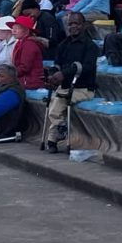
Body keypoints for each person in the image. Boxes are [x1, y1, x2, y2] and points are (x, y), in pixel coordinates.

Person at [43, 12, 98, 153]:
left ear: (84, 25)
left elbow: (88, 67)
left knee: (58, 101)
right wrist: (52, 75)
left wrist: (65, 73)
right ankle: (59, 131)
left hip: (84, 88)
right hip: (65, 87)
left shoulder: (90, 46)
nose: (73, 26)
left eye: (77, 23)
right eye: (70, 24)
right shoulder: (63, 44)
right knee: (55, 102)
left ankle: (53, 138)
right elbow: (57, 64)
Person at [8, 15, 44, 90]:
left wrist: (9, 74)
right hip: (23, 81)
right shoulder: (21, 42)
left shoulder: (29, 45)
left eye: (17, 28)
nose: (13, 31)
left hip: (29, 83)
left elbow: (24, 68)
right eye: (13, 28)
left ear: (27, 30)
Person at [0, 64, 25, 140]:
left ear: (11, 78)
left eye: (1, 76)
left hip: (0, 129)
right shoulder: (2, 88)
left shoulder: (12, 93)